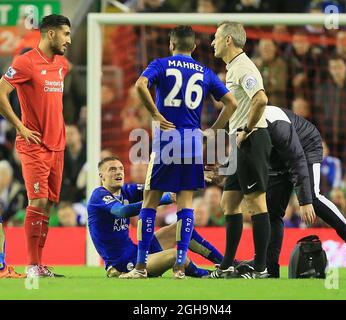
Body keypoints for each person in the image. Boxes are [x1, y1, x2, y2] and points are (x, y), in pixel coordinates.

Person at [121, 26, 237, 279]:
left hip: (167, 140)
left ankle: (140, 268)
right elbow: (232, 103)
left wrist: (155, 115)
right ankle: (179, 267)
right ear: (194, 47)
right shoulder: (205, 72)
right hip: (193, 142)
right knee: (186, 205)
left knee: (150, 203)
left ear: (172, 45)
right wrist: (214, 130)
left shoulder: (161, 64)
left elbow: (140, 85)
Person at [239, 106, 346, 277]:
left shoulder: (277, 125)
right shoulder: (238, 122)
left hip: (305, 146)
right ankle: (268, 267)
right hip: (278, 158)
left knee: (313, 196)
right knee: (271, 212)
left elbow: (297, 159)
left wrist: (305, 201)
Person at [0, 14, 71, 277]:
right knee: (38, 200)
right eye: (65, 34)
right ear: (50, 33)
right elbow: (0, 92)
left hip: (58, 145)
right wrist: (19, 126)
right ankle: (31, 266)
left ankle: (39, 265)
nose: (69, 40)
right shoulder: (25, 62)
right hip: (34, 145)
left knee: (49, 204)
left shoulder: (61, 65)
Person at [87, 156, 224, 278]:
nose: (118, 172)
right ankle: (208, 274)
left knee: (179, 228)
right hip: (123, 262)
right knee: (174, 255)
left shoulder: (126, 191)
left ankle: (225, 264)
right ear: (101, 176)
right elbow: (123, 211)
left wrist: (196, 175)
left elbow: (155, 187)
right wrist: (163, 199)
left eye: (121, 168)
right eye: (112, 169)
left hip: (136, 252)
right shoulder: (98, 196)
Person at [208, 21, 272, 279]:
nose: (212, 42)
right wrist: (214, 131)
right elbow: (234, 106)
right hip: (241, 141)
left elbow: (261, 98)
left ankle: (261, 268)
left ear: (228, 41)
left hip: (253, 139)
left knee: (256, 203)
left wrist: (246, 128)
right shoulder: (234, 68)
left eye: (215, 37)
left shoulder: (244, 67)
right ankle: (227, 265)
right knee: (229, 202)